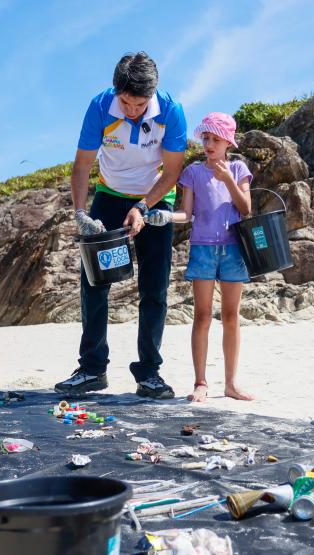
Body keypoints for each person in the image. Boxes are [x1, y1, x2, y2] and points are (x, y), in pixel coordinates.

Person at [54, 52, 186, 399]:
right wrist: (80, 212)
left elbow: (172, 173)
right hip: (109, 196)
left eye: (139, 103)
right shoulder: (100, 106)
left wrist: (143, 207)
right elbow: (82, 166)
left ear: (152, 95)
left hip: (155, 199)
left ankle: (149, 373)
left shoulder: (171, 111)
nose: (131, 110)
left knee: (154, 289)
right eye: (125, 102)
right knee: (94, 283)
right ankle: (92, 368)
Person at [144, 113, 255, 402]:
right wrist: (166, 215)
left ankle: (230, 384)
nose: (209, 143)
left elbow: (246, 209)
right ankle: (201, 382)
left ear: (228, 142)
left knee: (231, 317)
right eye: (206, 138)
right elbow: (187, 213)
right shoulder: (193, 172)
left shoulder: (238, 168)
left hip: (233, 250)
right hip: (202, 250)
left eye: (216, 139)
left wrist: (228, 179)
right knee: (202, 316)